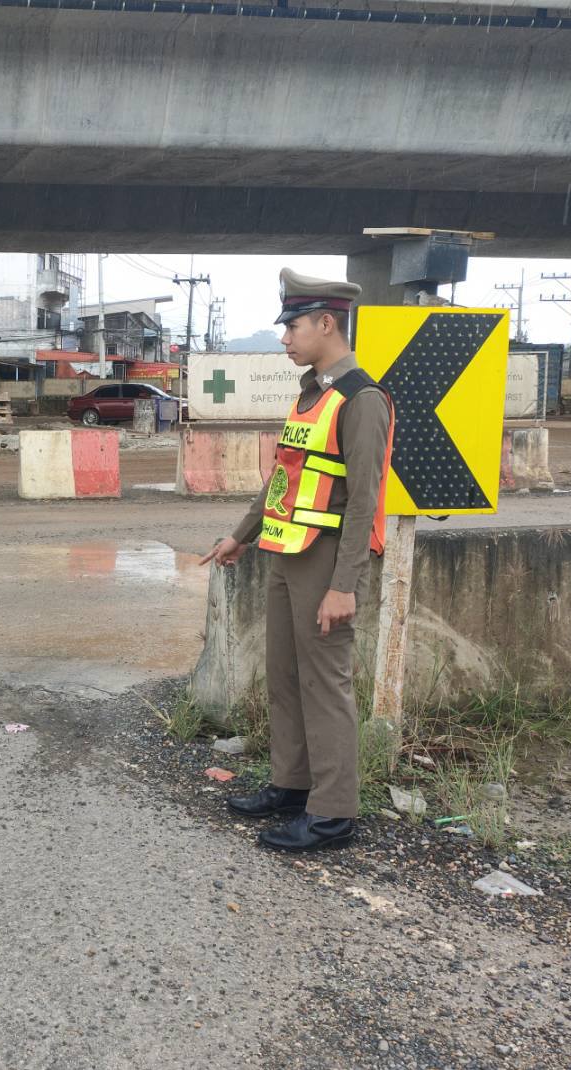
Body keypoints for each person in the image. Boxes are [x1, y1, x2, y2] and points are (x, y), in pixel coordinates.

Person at [201, 270, 394, 853]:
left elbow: (365, 502)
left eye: (293, 327)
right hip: (286, 553)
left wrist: (344, 586)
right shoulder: (313, 394)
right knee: (285, 676)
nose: (285, 338)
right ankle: (292, 785)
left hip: (327, 561)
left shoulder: (361, 399)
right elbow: (283, 477)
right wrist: (242, 535)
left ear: (327, 323)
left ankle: (333, 814)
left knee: (325, 685)